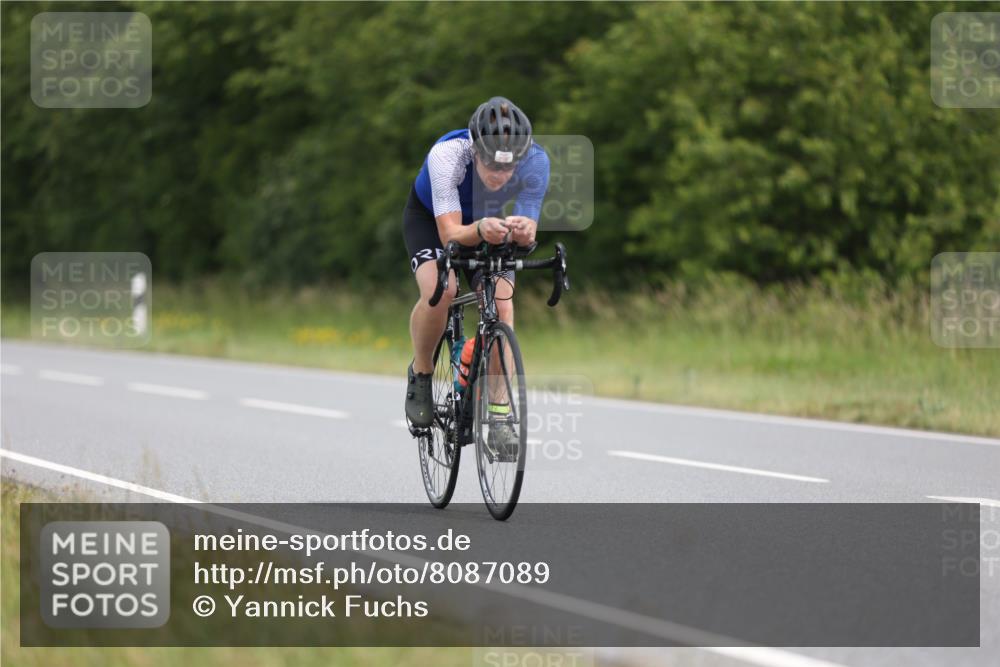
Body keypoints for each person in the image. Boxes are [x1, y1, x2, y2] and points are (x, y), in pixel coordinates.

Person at [402, 96, 549, 450]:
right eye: (492, 167)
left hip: (489, 224)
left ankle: (499, 414)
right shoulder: (448, 155)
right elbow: (450, 234)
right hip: (433, 221)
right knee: (443, 289)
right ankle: (421, 374)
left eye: (508, 168)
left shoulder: (536, 161)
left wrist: (525, 229)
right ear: (476, 152)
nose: (500, 176)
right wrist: (481, 227)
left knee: (503, 306)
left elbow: (529, 225)